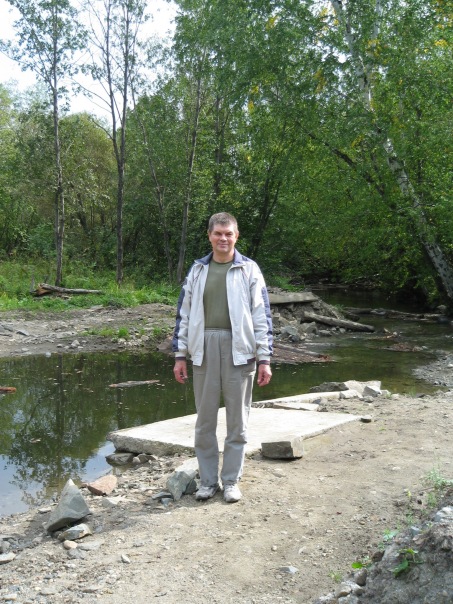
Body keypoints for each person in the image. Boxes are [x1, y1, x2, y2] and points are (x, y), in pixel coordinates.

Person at [172, 212, 273, 503]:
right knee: (204, 421)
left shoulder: (249, 270)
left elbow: (262, 315)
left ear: (236, 236)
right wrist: (180, 355)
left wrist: (264, 359)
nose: (223, 238)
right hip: (203, 348)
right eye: (218, 233)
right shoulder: (198, 270)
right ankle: (207, 482)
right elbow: (183, 314)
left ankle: (230, 481)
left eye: (228, 233)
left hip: (240, 350)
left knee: (237, 421)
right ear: (209, 236)